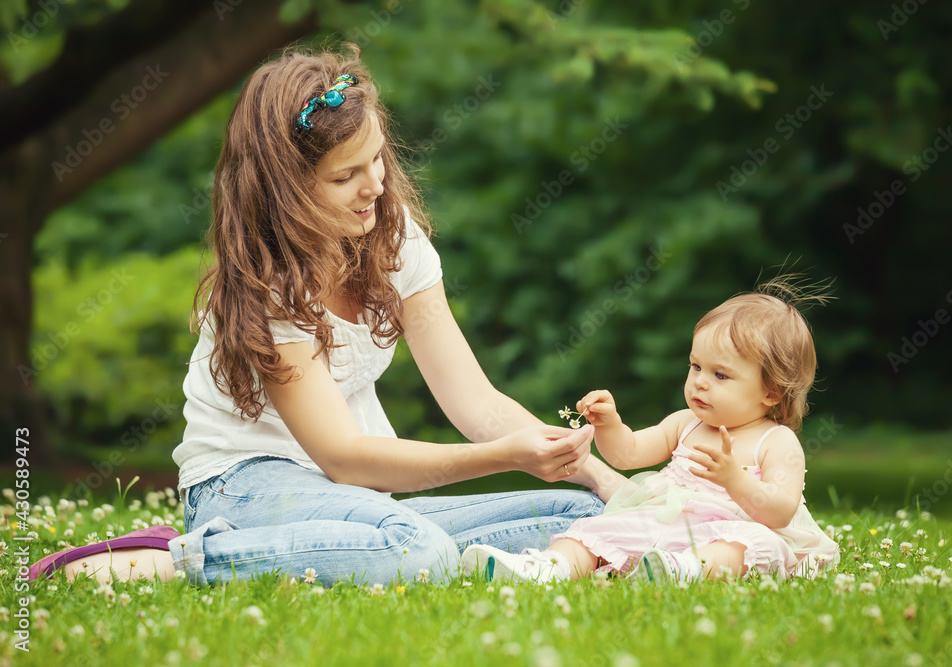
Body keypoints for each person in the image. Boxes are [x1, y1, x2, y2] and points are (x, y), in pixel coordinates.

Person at [28, 44, 625, 586]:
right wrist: (502, 459)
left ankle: (340, 547)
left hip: (347, 497)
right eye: (345, 176)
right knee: (417, 553)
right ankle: (172, 562)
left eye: (377, 160)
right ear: (287, 189)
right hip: (243, 484)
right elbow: (342, 453)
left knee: (585, 518)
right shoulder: (266, 289)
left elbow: (478, 402)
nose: (375, 186)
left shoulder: (397, 242)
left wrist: (600, 477)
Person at [462, 280, 840, 583]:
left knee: (754, 545)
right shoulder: (685, 424)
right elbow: (628, 455)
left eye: (720, 375)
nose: (700, 383)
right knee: (598, 530)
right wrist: (610, 424)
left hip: (732, 532)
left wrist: (733, 480)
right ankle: (548, 568)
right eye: (696, 367)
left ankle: (684, 571)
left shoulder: (775, 442)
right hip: (665, 525)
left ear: (772, 391)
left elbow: (779, 512)